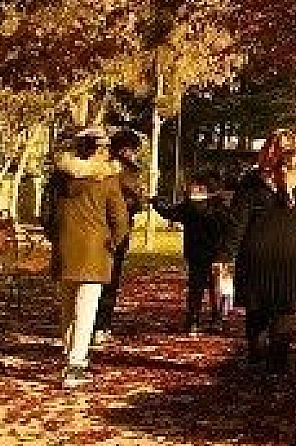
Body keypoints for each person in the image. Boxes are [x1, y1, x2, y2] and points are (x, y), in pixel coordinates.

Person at [224, 128, 296, 372]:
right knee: (273, 311)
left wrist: (225, 256)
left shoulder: (263, 181)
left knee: (269, 311)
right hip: (277, 256)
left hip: (274, 256)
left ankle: (264, 361)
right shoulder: (260, 181)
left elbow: (237, 222)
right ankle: (271, 362)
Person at [41, 127, 130, 389]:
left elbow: (45, 214)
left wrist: (56, 238)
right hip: (96, 252)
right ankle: (77, 363)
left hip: (65, 250)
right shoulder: (108, 180)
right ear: (99, 150)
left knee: (68, 307)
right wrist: (113, 243)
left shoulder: (59, 178)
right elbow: (120, 220)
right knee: (86, 308)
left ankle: (68, 355)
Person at [152, 171, 233, 334]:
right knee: (216, 288)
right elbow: (231, 227)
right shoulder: (220, 206)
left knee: (197, 288)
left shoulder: (189, 207)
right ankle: (216, 319)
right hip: (216, 253)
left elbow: (170, 212)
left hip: (197, 253)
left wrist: (155, 202)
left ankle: (193, 321)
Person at [94, 129, 146, 343]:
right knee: (109, 279)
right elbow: (131, 203)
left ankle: (97, 323)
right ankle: (101, 324)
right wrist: (138, 202)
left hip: (105, 230)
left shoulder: (106, 169)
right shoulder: (123, 173)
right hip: (115, 231)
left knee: (102, 279)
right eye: (134, 150)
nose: (135, 154)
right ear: (125, 150)